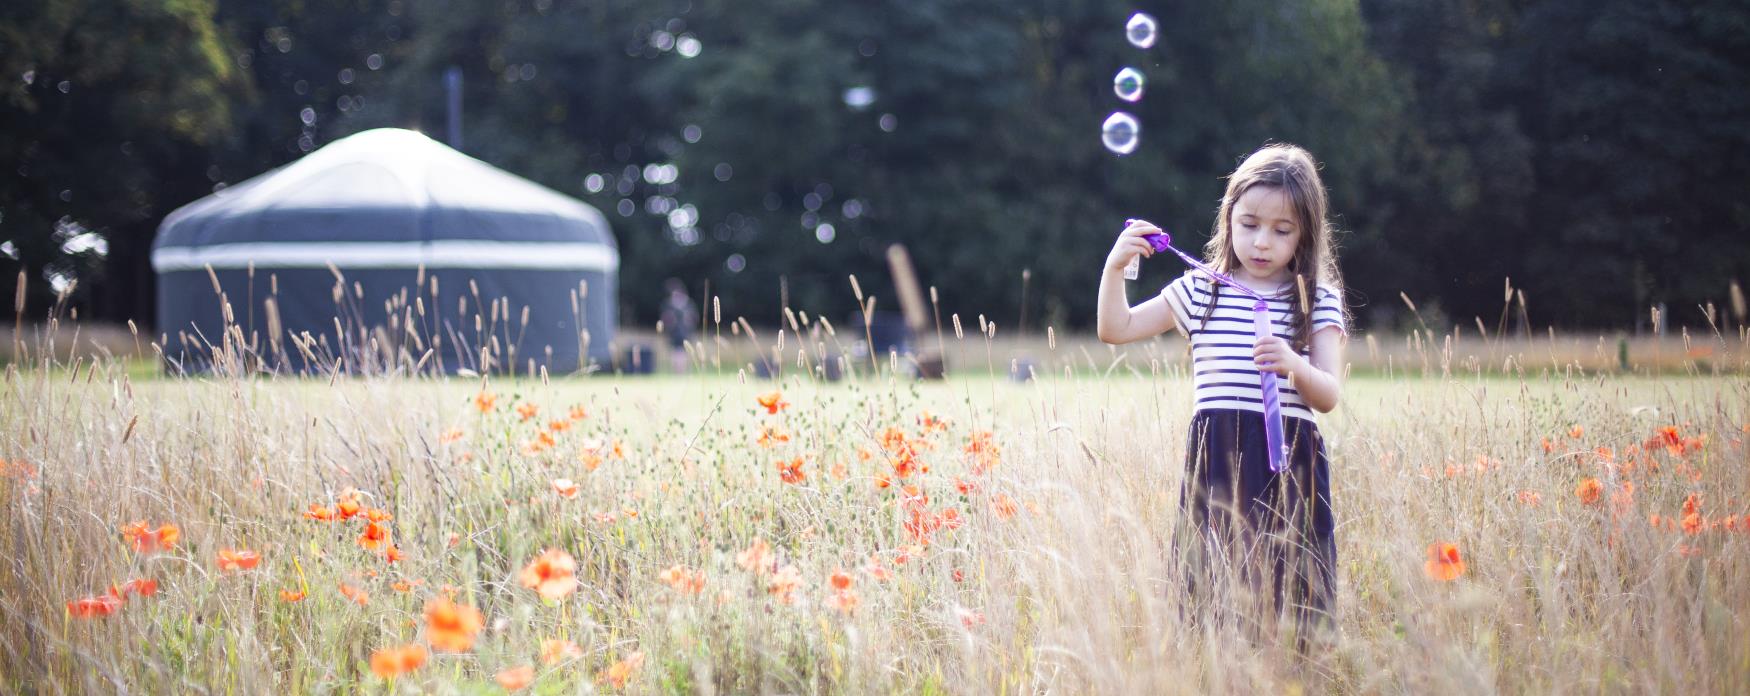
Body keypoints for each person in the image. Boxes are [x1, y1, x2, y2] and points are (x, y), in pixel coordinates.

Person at [1095, 143, 1349, 641]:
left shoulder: (1316, 297)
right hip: (1217, 455)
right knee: (1212, 580)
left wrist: (1293, 364)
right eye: (1250, 224)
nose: (1261, 242)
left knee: (1289, 577)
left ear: (1305, 234)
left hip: (1287, 459)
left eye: (1282, 231)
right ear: (1229, 217)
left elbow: (1328, 394)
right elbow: (1116, 328)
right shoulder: (1202, 290)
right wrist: (1114, 268)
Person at [658, 278, 698, 373]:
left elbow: (693, 318)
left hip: (685, 333)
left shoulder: (688, 304)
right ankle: (678, 372)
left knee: (684, 353)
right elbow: (665, 319)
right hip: (674, 334)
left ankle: (684, 371)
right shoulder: (668, 305)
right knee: (675, 353)